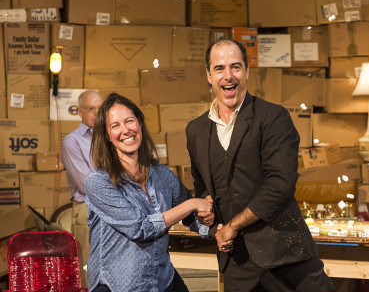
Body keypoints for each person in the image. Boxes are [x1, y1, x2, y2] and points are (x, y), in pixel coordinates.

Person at [186, 39, 335, 291]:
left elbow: (281, 184)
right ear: (208, 76)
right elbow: (201, 184)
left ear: (247, 72)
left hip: (287, 258)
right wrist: (207, 207)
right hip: (237, 261)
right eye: (219, 68)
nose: (228, 76)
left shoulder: (273, 117)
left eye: (235, 67)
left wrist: (232, 226)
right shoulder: (196, 130)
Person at [85, 93, 213, 292]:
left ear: (140, 124)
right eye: (115, 126)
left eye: (129, 121)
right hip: (119, 285)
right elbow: (141, 228)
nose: (125, 130)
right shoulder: (99, 182)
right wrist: (193, 203)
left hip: (161, 279)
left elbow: (192, 218)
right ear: (107, 136)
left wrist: (215, 228)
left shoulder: (163, 175)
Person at [60, 89, 103, 287]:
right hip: (88, 208)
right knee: (89, 266)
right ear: (79, 111)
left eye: (100, 109)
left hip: (115, 205)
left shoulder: (111, 136)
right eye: (91, 109)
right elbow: (86, 184)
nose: (96, 114)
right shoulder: (72, 141)